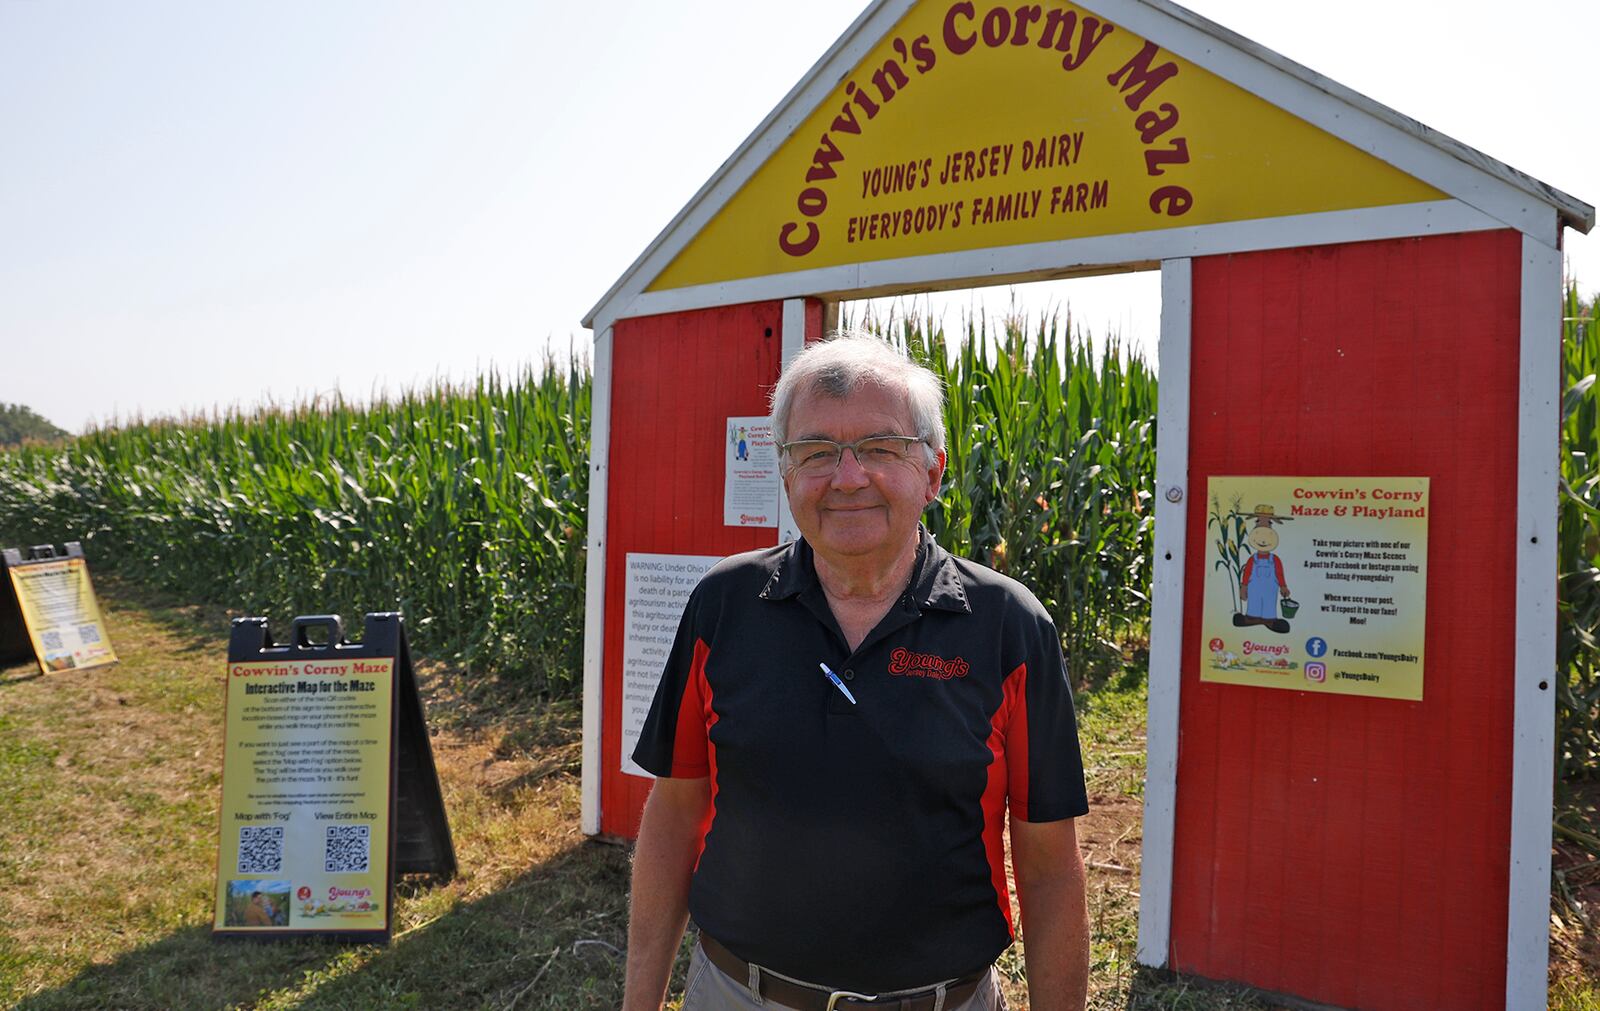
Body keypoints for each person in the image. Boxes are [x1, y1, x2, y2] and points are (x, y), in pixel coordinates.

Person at [624, 332, 1090, 1011]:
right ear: (786, 474)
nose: (847, 477)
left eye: (879, 448)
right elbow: (673, 814)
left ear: (932, 472)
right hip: (738, 994)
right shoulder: (722, 607)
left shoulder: (1008, 627)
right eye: (816, 452)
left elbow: (1050, 869)